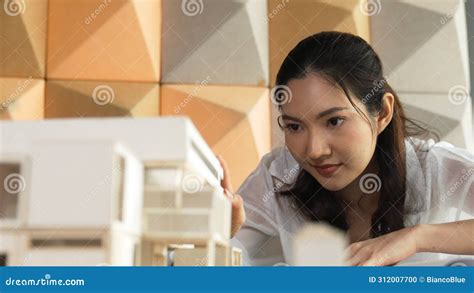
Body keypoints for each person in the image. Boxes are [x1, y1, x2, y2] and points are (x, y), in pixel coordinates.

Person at [218, 31, 474, 266]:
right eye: (294, 126)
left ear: (382, 113)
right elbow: (211, 274)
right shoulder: (279, 174)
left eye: (334, 121)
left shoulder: (433, 167)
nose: (314, 150)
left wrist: (417, 237)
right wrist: (217, 235)